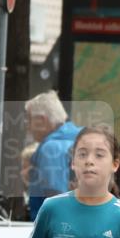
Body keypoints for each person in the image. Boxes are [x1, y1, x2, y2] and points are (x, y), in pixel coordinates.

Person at [25, 91, 81, 220]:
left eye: (29, 119)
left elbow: (56, 198)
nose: (28, 126)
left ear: (42, 120)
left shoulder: (50, 149)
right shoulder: (84, 138)